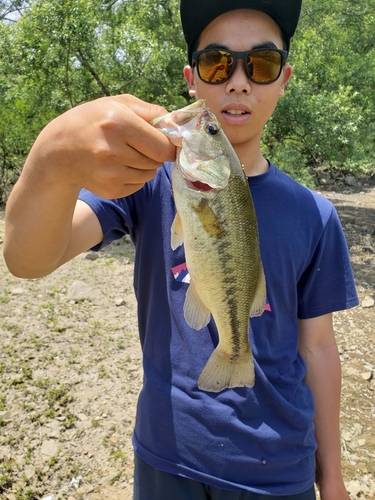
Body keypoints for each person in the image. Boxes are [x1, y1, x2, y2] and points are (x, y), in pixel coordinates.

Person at [3, 1, 359, 499]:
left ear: (284, 79)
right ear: (192, 79)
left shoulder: (315, 214)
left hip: (278, 467)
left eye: (261, 65)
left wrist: (334, 477)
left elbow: (318, 347)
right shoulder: (146, 184)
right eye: (218, 63)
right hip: (167, 452)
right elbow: (27, 259)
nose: (238, 82)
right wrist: (52, 160)